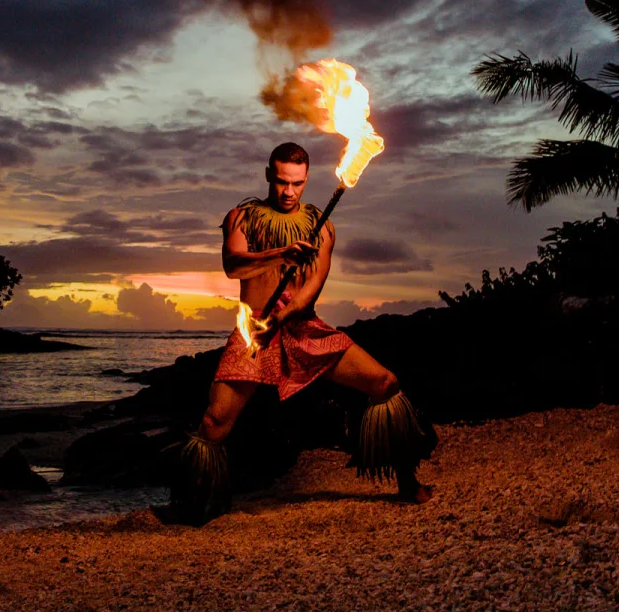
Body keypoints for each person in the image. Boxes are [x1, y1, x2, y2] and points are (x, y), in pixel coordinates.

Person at [170, 141, 434, 523]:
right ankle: (194, 504)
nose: (288, 191)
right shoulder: (242, 217)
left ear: (307, 179)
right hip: (256, 332)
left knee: (386, 383)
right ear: (268, 176)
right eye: (280, 182)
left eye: (296, 183)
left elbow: (315, 281)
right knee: (213, 421)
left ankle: (408, 482)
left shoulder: (322, 226)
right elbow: (232, 265)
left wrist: (291, 309)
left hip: (302, 327)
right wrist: (279, 256)